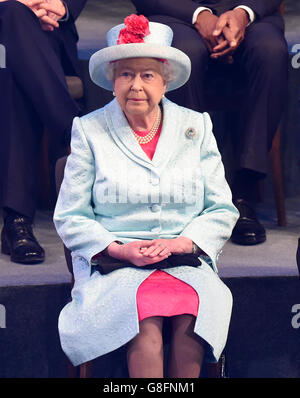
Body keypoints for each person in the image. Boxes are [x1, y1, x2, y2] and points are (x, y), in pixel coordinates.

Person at [53, 14, 239, 378]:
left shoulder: (196, 126)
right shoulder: (89, 130)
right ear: (112, 81)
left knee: (194, 323)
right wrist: (118, 248)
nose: (136, 85)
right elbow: (70, 216)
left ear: (165, 81)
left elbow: (220, 208)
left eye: (147, 75)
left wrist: (184, 243)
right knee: (145, 328)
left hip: (184, 260)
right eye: (126, 74)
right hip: (117, 264)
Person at [131, 0, 289, 246]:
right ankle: (188, 190)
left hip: (251, 14)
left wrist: (243, 13)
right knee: (183, 52)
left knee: (269, 49)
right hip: (178, 14)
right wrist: (198, 15)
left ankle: (242, 194)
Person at [0, 0, 87, 264]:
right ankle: (78, 134)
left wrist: (59, 5)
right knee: (12, 15)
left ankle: (18, 219)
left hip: (46, 29)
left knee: (13, 69)